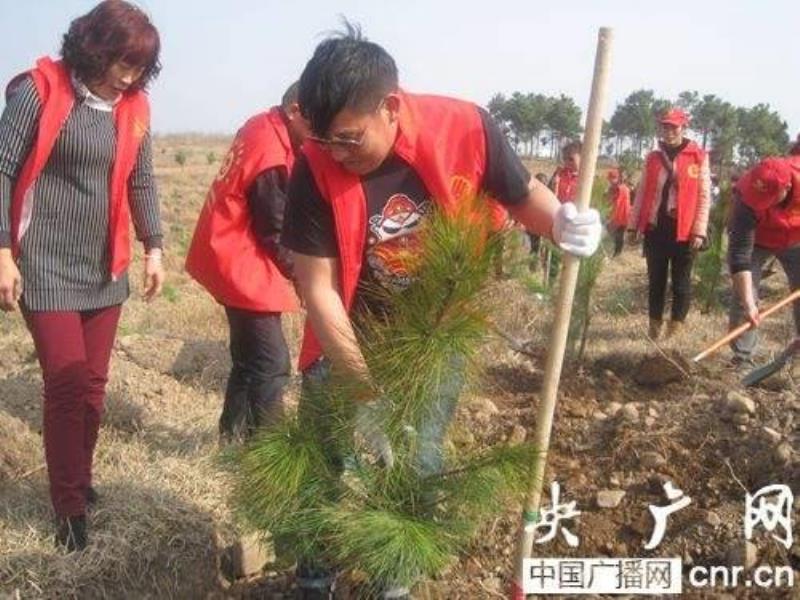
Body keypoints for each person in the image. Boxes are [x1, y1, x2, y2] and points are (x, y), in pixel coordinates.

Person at [281, 25, 601, 599]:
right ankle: (314, 579)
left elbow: (522, 195)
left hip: (433, 331)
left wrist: (561, 223)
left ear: (392, 107)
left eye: (350, 139)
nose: (336, 154)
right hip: (346, 332)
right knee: (322, 458)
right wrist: (366, 395)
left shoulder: (466, 129)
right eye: (324, 140)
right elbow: (320, 291)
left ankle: (392, 581)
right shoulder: (314, 164)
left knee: (417, 458)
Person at [0, 0, 163, 552]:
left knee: (94, 389)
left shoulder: (133, 107)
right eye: (123, 61)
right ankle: (68, 510)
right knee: (67, 385)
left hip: (103, 265)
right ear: (94, 49)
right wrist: (1, 251)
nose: (130, 75)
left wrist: (154, 247)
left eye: (140, 66)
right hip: (44, 263)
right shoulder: (39, 92)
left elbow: (143, 179)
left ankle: (81, 478)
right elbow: (0, 172)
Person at [185, 84, 309, 443]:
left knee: (248, 357)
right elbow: (275, 232)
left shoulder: (261, 124)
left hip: (223, 250)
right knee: (272, 363)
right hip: (239, 261)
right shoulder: (270, 155)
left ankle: (231, 436)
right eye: (316, 123)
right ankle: (268, 453)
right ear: (296, 110)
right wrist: (305, 278)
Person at [628, 108, 710, 339]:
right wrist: (633, 225)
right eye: (665, 126)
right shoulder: (653, 157)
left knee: (681, 283)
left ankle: (674, 331)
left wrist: (699, 230)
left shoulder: (698, 156)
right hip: (656, 229)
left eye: (674, 127)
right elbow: (643, 191)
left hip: (684, 230)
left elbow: (704, 196)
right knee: (656, 281)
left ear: (683, 128)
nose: (669, 131)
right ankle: (654, 329)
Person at [728, 156, 800, 367]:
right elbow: (740, 256)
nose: (762, 204)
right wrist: (750, 305)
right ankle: (742, 358)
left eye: (769, 198)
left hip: (796, 238)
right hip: (757, 240)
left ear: (786, 188)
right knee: (745, 295)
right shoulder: (745, 196)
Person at [605, 168, 630, 257]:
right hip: (619, 215)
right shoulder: (615, 188)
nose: (610, 181)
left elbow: (618, 204)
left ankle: (617, 252)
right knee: (617, 235)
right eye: (609, 179)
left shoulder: (621, 189)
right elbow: (609, 200)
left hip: (621, 215)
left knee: (619, 235)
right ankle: (616, 252)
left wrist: (612, 217)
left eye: (612, 178)